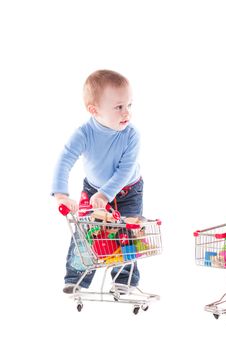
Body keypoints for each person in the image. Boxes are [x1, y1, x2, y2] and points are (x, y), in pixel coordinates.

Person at [52, 69, 143, 294]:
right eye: (119, 107)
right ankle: (76, 278)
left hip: (128, 191)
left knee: (126, 234)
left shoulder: (131, 135)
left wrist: (105, 194)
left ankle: (124, 280)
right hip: (92, 189)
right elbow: (64, 160)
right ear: (94, 110)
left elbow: (125, 170)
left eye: (129, 105)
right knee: (85, 232)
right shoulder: (84, 134)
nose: (126, 113)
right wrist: (61, 194)